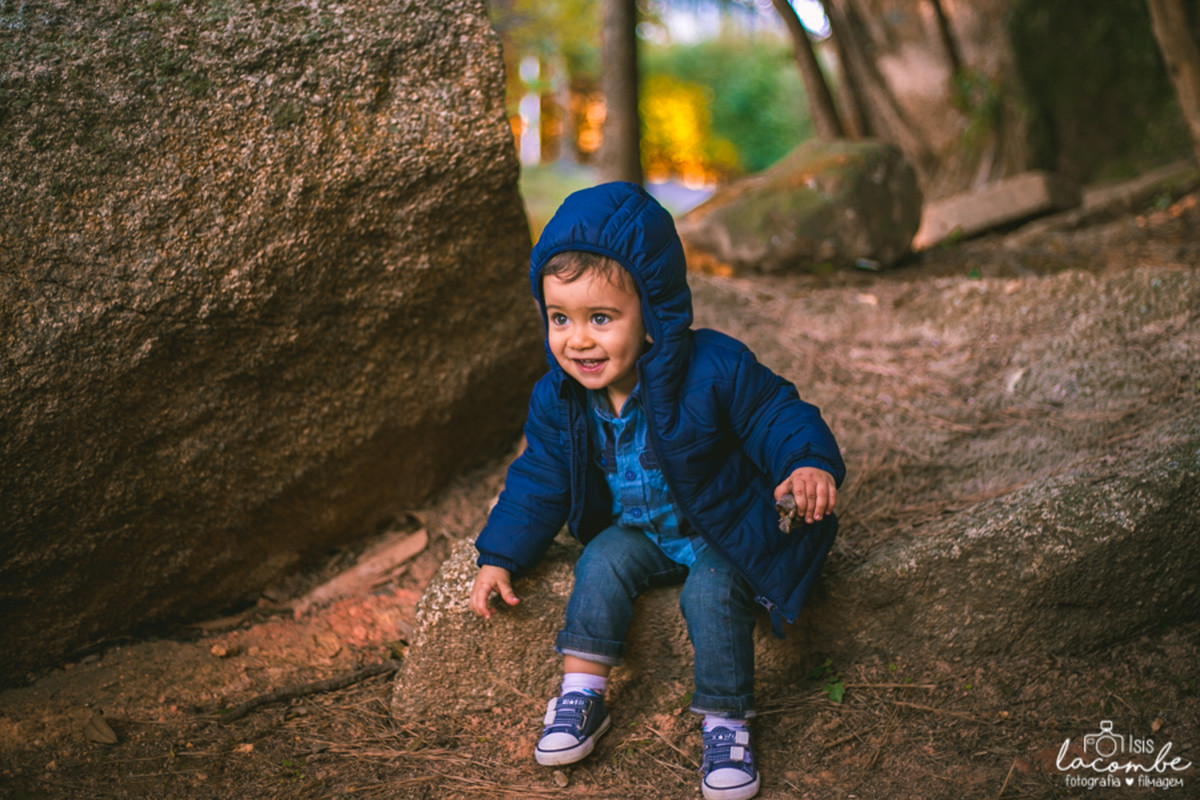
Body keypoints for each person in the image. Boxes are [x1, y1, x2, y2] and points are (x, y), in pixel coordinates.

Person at [469, 181, 844, 800]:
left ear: (653, 311)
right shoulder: (559, 397)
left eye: (601, 318)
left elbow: (774, 413)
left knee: (712, 592)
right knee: (600, 561)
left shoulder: (712, 367)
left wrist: (806, 464)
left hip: (719, 530)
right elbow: (539, 477)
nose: (577, 340)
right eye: (560, 318)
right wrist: (500, 554)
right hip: (640, 531)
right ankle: (581, 696)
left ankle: (727, 725)